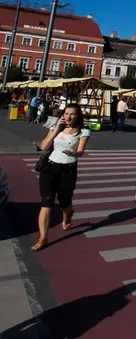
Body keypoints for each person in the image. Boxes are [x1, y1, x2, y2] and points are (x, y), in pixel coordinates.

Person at [33, 104, 90, 251]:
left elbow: (81, 151)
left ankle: (68, 215)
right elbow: (44, 146)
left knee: (65, 201)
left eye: (72, 114)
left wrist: (74, 154)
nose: (68, 117)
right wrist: (56, 129)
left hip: (68, 170)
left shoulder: (83, 132)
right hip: (50, 168)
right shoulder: (56, 127)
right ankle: (43, 238)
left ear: (78, 116)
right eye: (66, 113)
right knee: (46, 203)